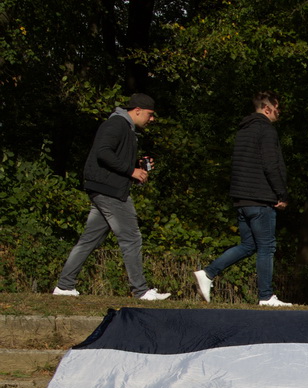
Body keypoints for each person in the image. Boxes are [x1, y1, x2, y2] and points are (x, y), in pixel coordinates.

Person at [54, 93, 170, 301]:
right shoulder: (117, 124)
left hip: (105, 188)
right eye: (150, 114)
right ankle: (141, 291)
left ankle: (64, 286)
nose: (152, 119)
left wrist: (137, 167)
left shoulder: (125, 128)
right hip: (110, 191)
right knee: (131, 238)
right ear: (137, 111)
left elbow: (112, 158)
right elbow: (103, 152)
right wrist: (131, 170)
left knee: (89, 239)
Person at [193, 92, 291, 307]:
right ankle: (266, 296)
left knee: (248, 245)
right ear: (267, 109)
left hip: (242, 198)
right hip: (261, 198)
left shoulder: (244, 130)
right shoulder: (266, 130)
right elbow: (270, 165)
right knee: (266, 247)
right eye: (277, 109)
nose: (279, 113)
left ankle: (208, 273)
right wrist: (281, 194)